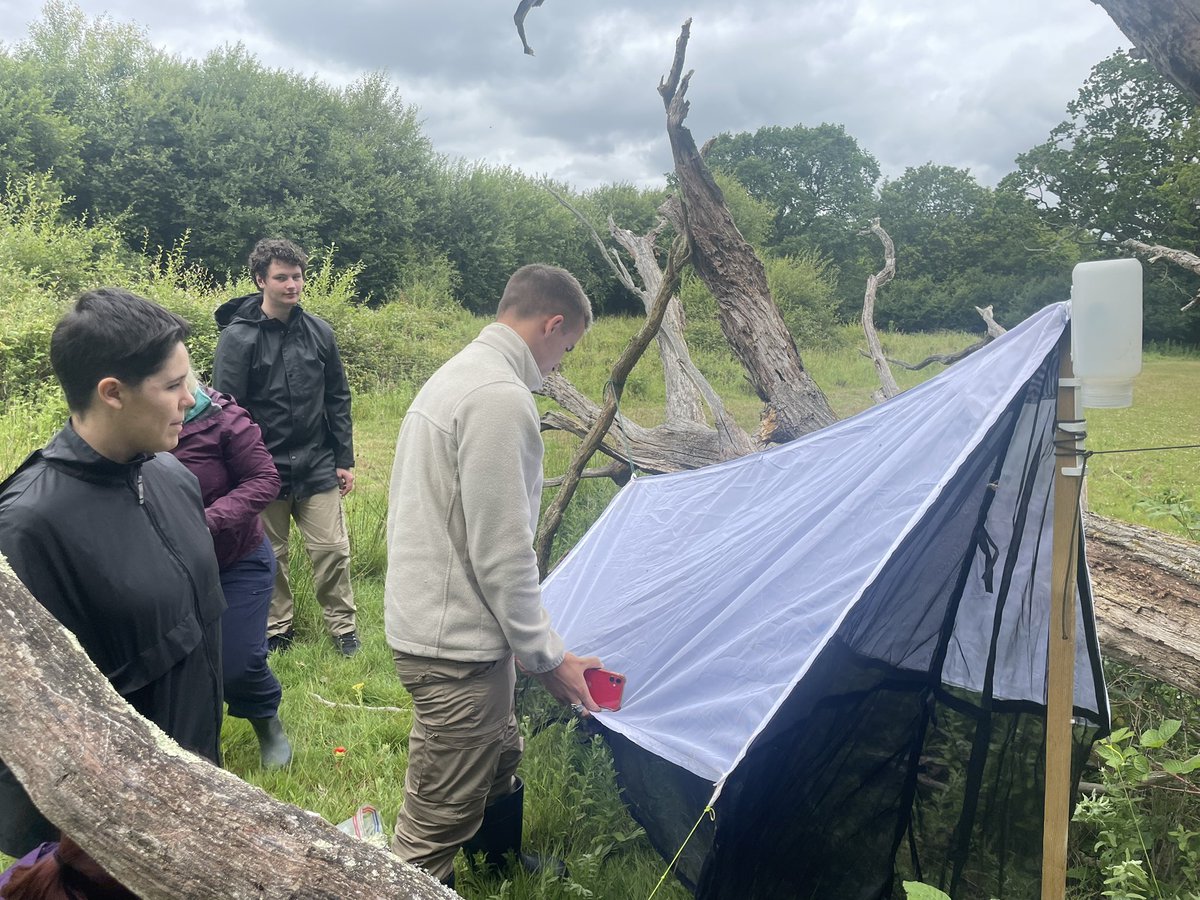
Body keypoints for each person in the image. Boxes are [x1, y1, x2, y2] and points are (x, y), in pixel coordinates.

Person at [384, 263, 603, 887]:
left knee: (499, 752)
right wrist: (546, 656)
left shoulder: (464, 372)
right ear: (551, 324)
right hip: (453, 643)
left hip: (446, 620)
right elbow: (504, 553)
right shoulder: (499, 399)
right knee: (434, 822)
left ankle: (497, 863)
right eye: (567, 347)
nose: (561, 363)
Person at [0, 288, 224, 871]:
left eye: (189, 378)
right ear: (112, 393)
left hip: (202, 784)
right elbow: (19, 714)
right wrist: (78, 852)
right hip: (115, 835)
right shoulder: (28, 523)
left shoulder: (173, 476)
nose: (192, 398)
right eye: (173, 385)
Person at [212, 238, 359, 657]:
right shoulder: (238, 339)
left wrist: (343, 458)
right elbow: (227, 410)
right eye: (281, 277)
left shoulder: (319, 332)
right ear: (261, 280)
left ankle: (343, 628)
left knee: (332, 549)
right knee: (272, 555)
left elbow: (338, 398)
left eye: (297, 276)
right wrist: (235, 471)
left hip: (316, 462)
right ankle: (278, 629)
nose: (291, 284)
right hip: (262, 468)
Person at [170, 371, 293, 769]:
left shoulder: (223, 419)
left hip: (237, 560)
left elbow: (265, 479)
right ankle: (195, 751)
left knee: (237, 661)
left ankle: (268, 726)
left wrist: (207, 521)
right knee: (180, 664)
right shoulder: (137, 431)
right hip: (170, 566)